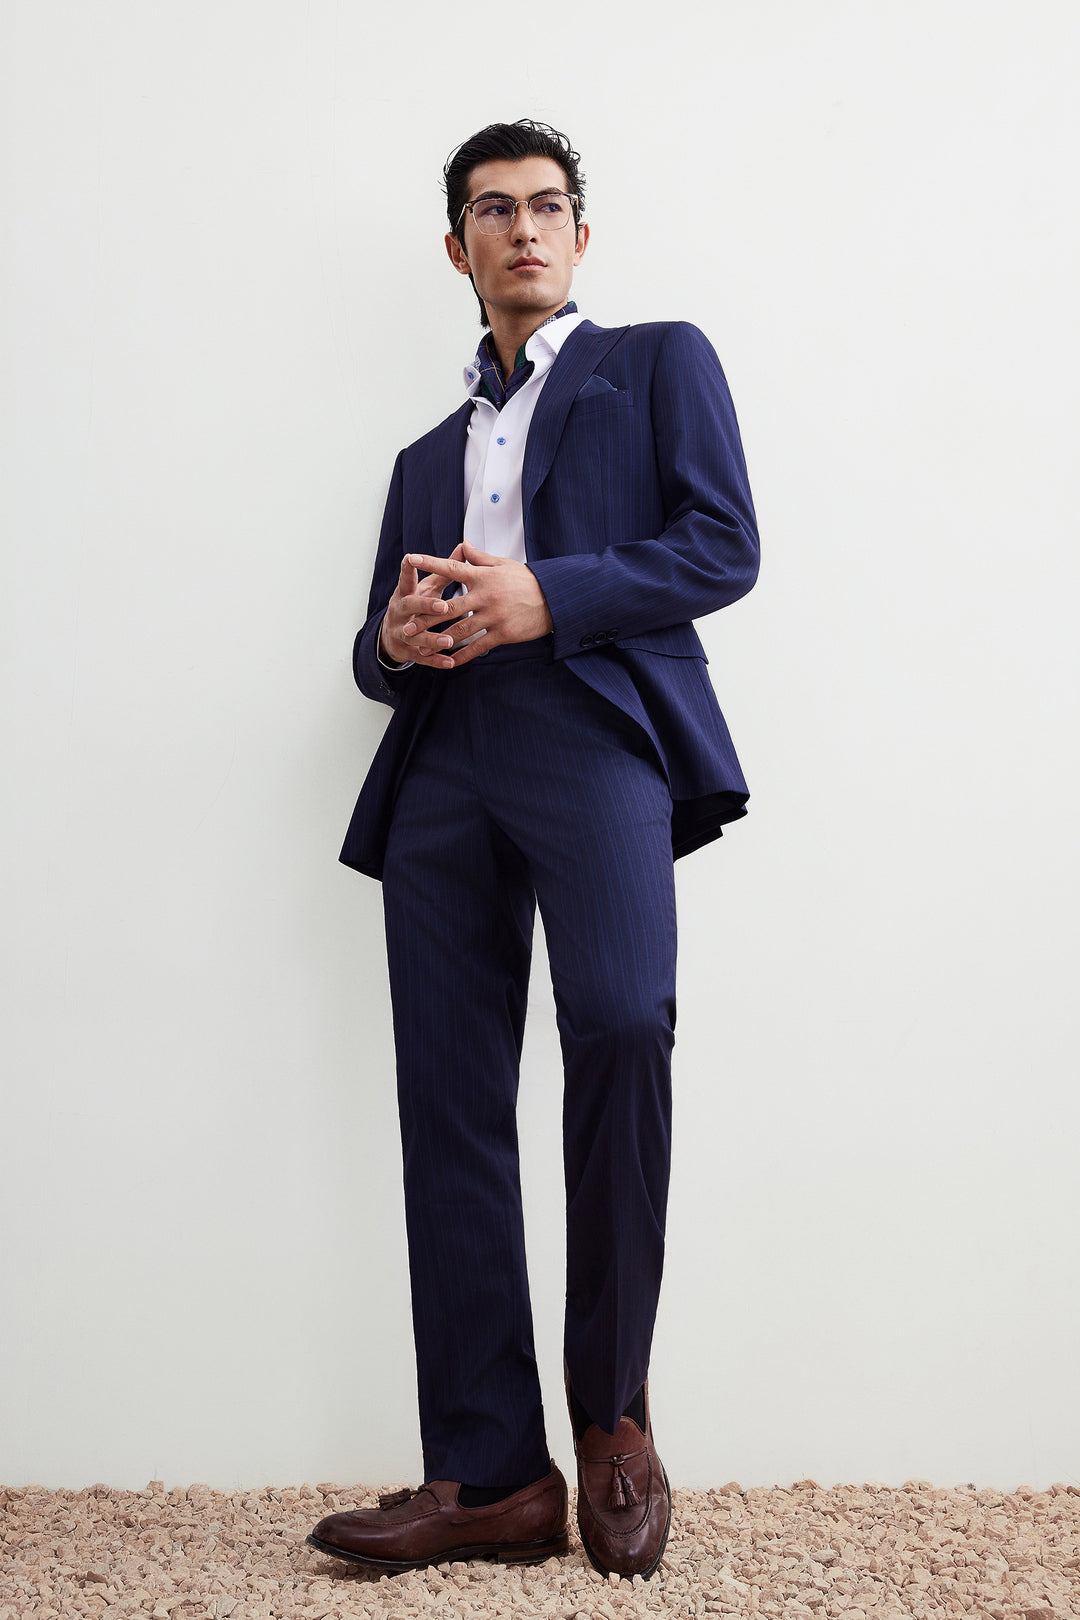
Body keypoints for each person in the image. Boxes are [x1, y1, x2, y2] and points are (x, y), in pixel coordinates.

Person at [307, 119, 759, 1580]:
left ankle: (615, 1415)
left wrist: (547, 596)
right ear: (458, 249)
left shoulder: (657, 364)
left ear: (580, 233)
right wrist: (394, 642)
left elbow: (722, 545)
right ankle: (492, 1474)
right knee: (448, 1093)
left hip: (593, 729)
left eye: (547, 206)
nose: (523, 228)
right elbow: (377, 655)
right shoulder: (419, 456)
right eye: (493, 211)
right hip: (446, 760)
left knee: (622, 1023)